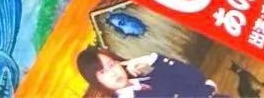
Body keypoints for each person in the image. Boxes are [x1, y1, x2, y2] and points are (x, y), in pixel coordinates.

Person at [76, 45, 218, 98]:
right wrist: (207, 90)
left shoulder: (154, 75)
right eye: (102, 72)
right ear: (96, 81)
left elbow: (195, 77)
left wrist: (152, 60)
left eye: (111, 64)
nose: (112, 73)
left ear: (119, 62)